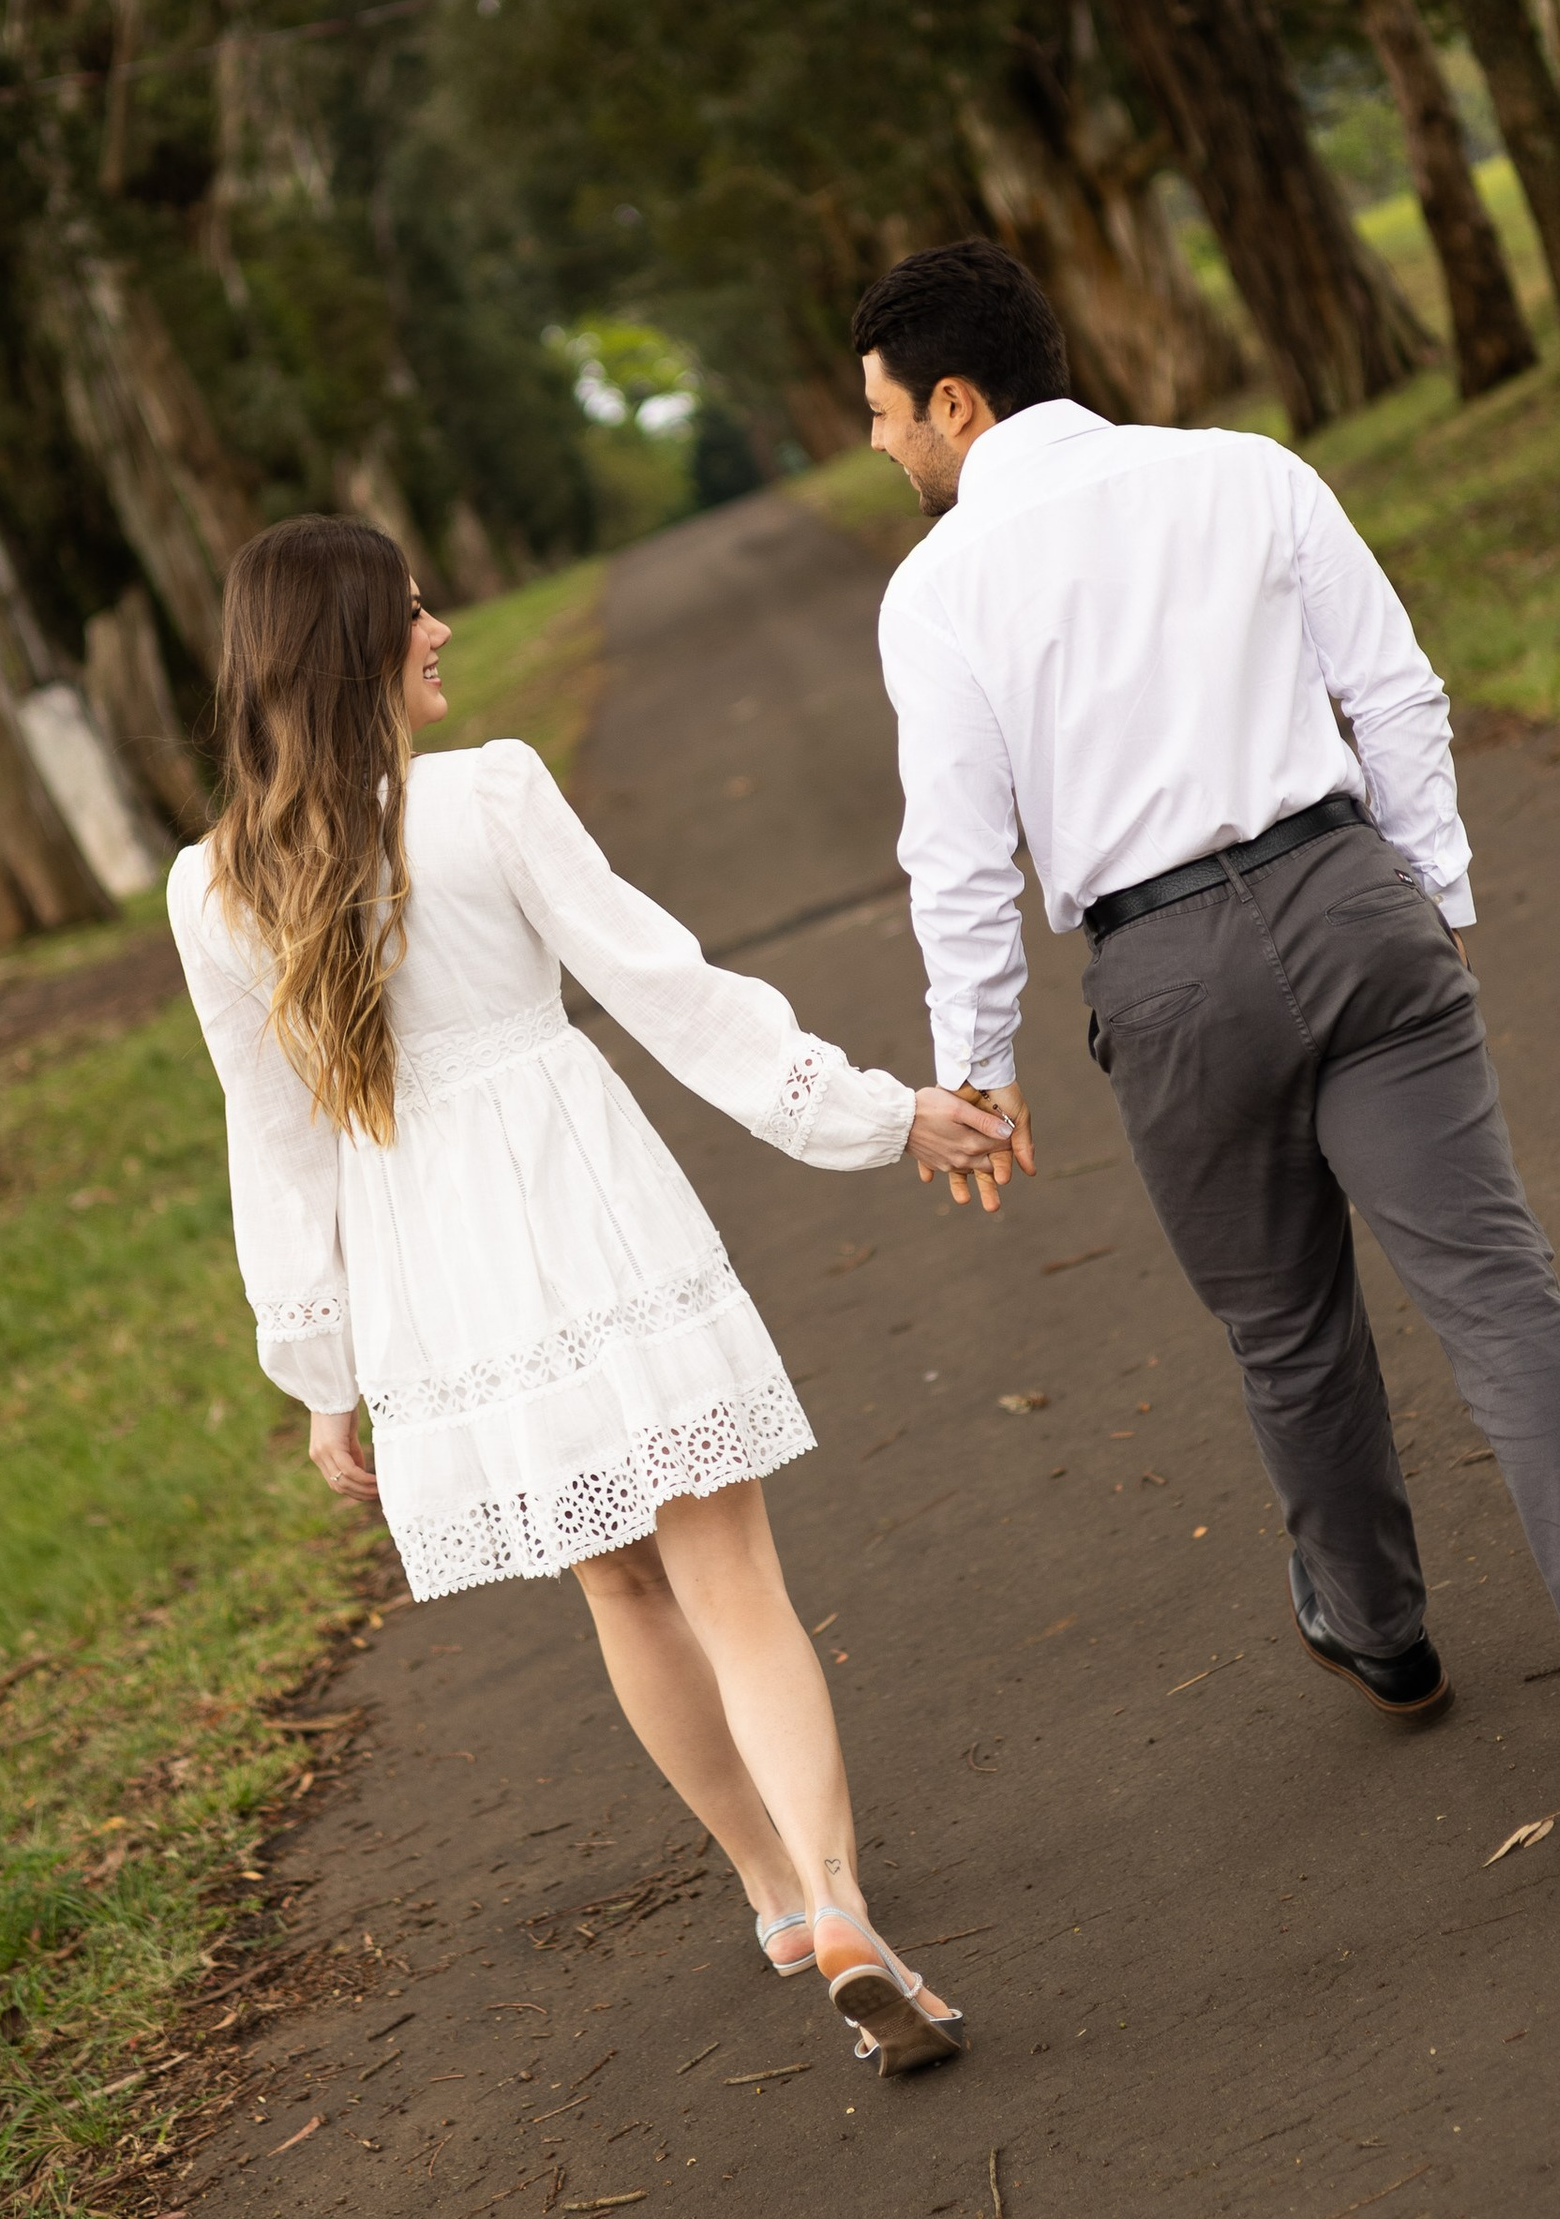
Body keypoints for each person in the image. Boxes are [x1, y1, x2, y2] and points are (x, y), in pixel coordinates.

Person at [854, 238, 1560, 1782]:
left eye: (882, 414)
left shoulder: (936, 590)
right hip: (1352, 899)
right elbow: (1395, 690)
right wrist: (1440, 898)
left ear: (957, 399)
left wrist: (980, 1068)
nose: (877, 445)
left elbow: (959, 858)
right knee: (1500, 1292)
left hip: (1166, 973)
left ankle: (1383, 1635)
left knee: (1290, 1337)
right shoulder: (1244, 471)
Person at [168, 515, 1008, 2074]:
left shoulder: (214, 885)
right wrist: (880, 1111)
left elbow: (272, 1149)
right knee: (731, 1579)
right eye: (413, 612)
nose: (442, 629)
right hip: (581, 1204)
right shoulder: (486, 795)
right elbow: (670, 991)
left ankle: (770, 1893)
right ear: (354, 647)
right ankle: (841, 1910)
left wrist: (324, 1372)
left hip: (434, 1267)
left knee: (618, 1586)